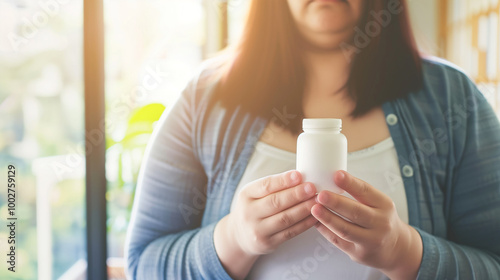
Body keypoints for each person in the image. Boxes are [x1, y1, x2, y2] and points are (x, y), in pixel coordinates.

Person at [124, 0, 500, 279]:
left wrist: (405, 252)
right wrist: (233, 240)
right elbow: (143, 264)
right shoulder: (204, 99)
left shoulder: (452, 97)